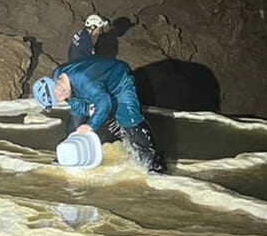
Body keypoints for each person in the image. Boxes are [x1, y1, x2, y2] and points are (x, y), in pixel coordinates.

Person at [32, 56, 167, 173]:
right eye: (57, 100)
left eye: (59, 94)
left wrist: (91, 125)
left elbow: (105, 101)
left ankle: (155, 160)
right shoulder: (59, 78)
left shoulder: (84, 80)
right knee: (78, 116)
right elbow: (78, 108)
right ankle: (70, 151)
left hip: (120, 81)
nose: (61, 98)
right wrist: (76, 134)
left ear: (56, 83)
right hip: (95, 87)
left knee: (128, 117)